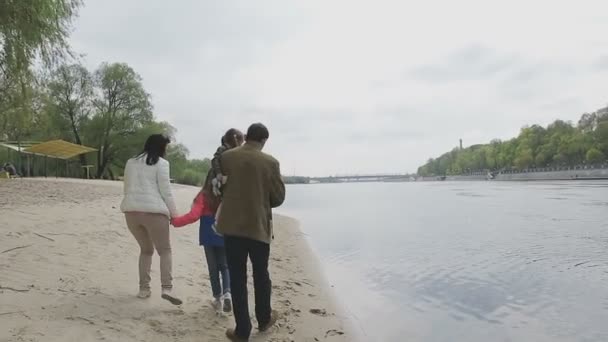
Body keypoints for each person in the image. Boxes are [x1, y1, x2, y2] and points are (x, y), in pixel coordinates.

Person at [216, 123, 286, 341]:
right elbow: (278, 198)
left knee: (237, 278)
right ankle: (264, 319)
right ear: (264, 140)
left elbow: (220, 187)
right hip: (258, 227)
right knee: (261, 275)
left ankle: (242, 330)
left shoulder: (227, 157)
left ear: (246, 136)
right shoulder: (270, 162)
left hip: (232, 227)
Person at [120, 134, 182, 305]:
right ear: (161, 147)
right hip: (154, 212)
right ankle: (166, 287)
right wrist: (174, 214)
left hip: (131, 212)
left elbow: (126, 187)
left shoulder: (131, 162)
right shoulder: (162, 164)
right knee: (165, 250)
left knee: (146, 250)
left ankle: (144, 289)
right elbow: (166, 191)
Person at [171, 191, 233, 313]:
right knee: (225, 266)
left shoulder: (205, 194)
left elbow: (194, 215)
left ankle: (217, 299)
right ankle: (227, 293)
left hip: (208, 234)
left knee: (213, 268)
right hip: (224, 232)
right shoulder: (228, 193)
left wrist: (175, 222)